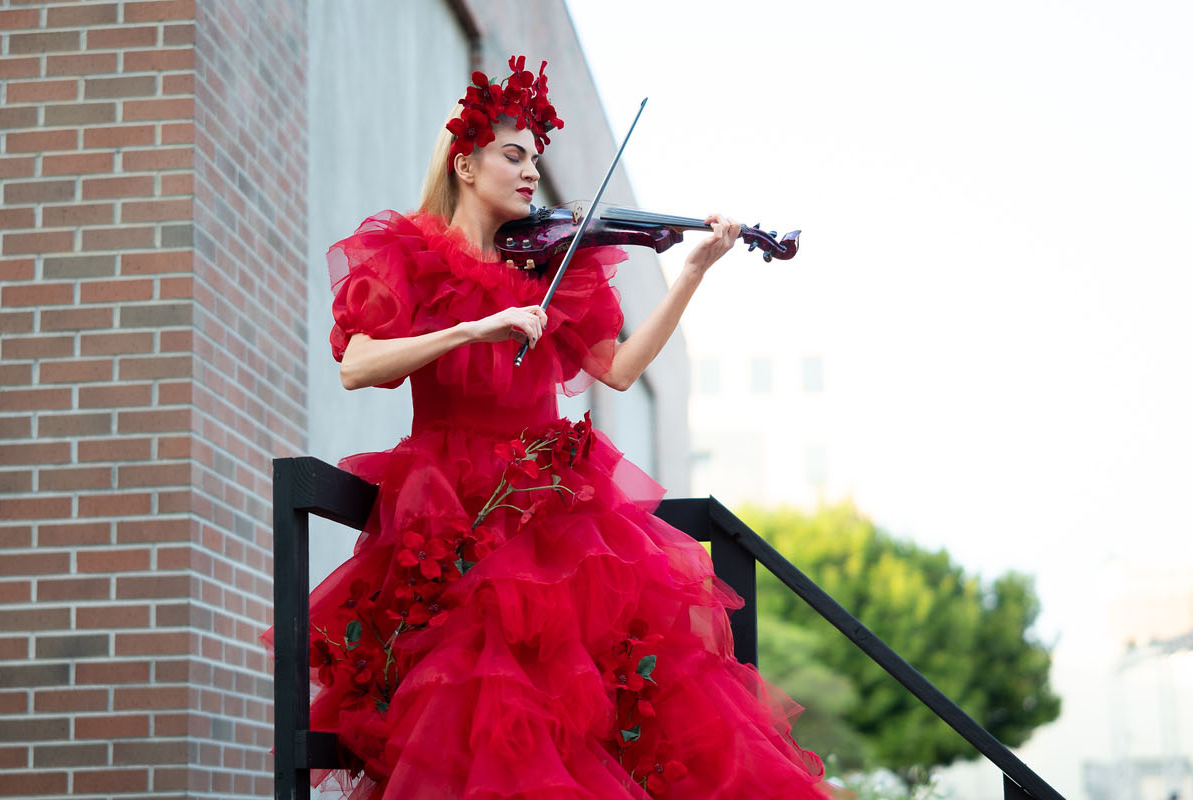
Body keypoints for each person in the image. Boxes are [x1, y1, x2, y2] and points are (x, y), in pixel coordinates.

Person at [291, 56, 834, 799]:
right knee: (476, 709)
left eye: (535, 163)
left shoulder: (552, 268)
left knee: (610, 706)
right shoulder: (408, 253)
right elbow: (359, 365)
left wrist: (693, 274)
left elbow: (617, 369)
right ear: (464, 163)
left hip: (554, 509)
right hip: (450, 503)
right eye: (513, 156)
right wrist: (476, 329)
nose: (529, 175)